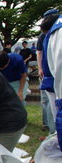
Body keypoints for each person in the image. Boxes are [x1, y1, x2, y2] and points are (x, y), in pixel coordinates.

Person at [40, 12, 62, 150]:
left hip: (56, 86)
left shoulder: (55, 35)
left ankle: (53, 135)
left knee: (53, 109)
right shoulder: (53, 34)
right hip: (53, 83)